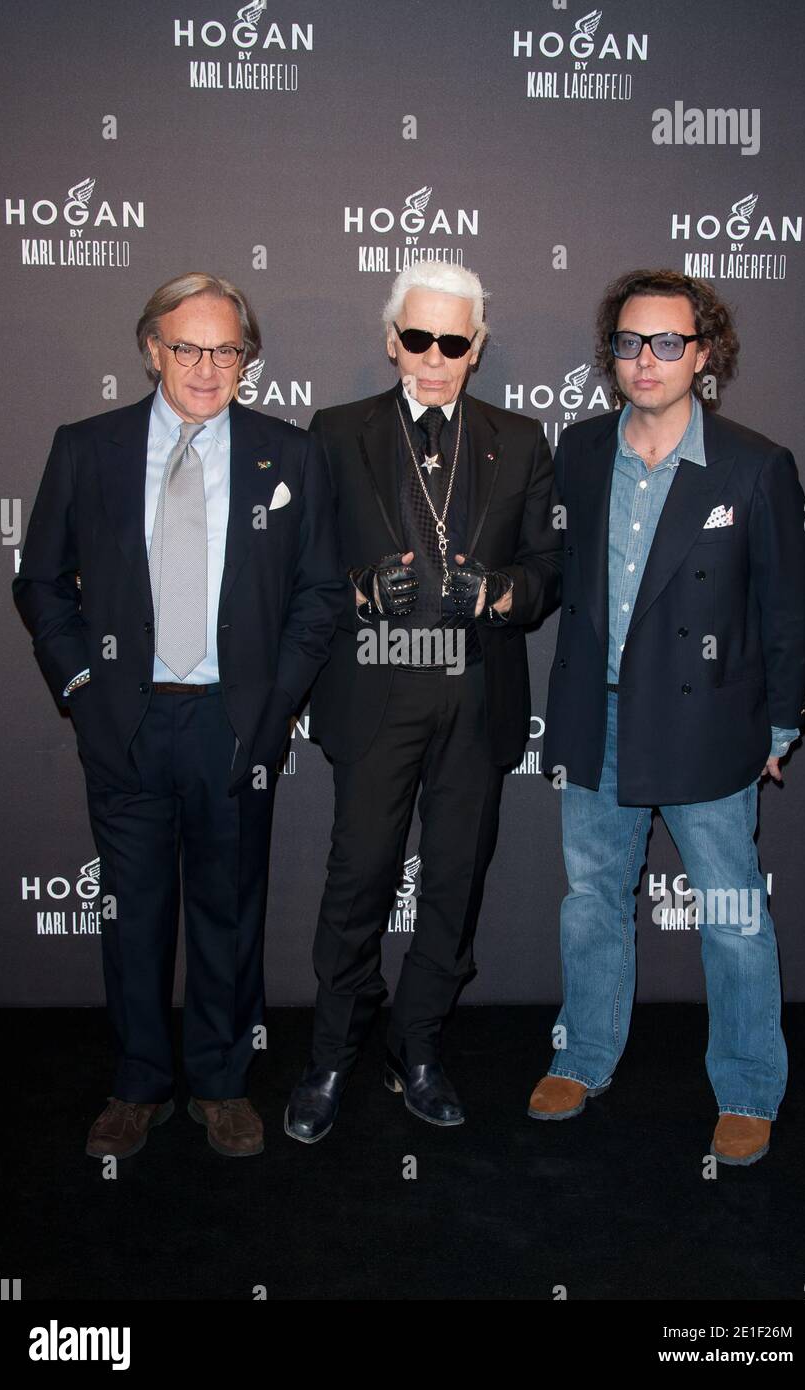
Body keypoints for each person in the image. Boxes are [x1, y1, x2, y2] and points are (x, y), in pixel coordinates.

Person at [14, 272, 344, 1160]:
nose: (208, 367)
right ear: (152, 350)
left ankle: (223, 1082)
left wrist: (275, 709)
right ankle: (138, 1083)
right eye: (189, 347)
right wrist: (82, 691)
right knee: (133, 916)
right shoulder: (89, 448)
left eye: (228, 349)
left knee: (229, 914)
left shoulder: (289, 454)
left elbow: (319, 594)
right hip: (123, 720)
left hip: (235, 726)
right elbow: (39, 580)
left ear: (248, 357)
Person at [531, 268, 805, 1165]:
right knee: (590, 905)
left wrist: (779, 727)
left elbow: (789, 608)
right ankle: (582, 1055)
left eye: (667, 342)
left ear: (703, 353)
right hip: (597, 721)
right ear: (611, 354)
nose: (646, 359)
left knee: (733, 915)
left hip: (709, 729)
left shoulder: (753, 463)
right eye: (628, 342)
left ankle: (746, 1084)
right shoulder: (578, 452)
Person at [284, 262, 562, 1142]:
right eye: (417, 338)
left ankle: (420, 1047)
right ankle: (332, 1052)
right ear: (390, 339)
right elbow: (297, 563)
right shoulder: (333, 433)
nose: (433, 358)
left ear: (476, 347)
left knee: (452, 884)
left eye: (453, 341)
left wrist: (499, 591)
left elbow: (551, 573)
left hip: (477, 695)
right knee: (357, 880)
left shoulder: (519, 440)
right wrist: (363, 587)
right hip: (377, 688)